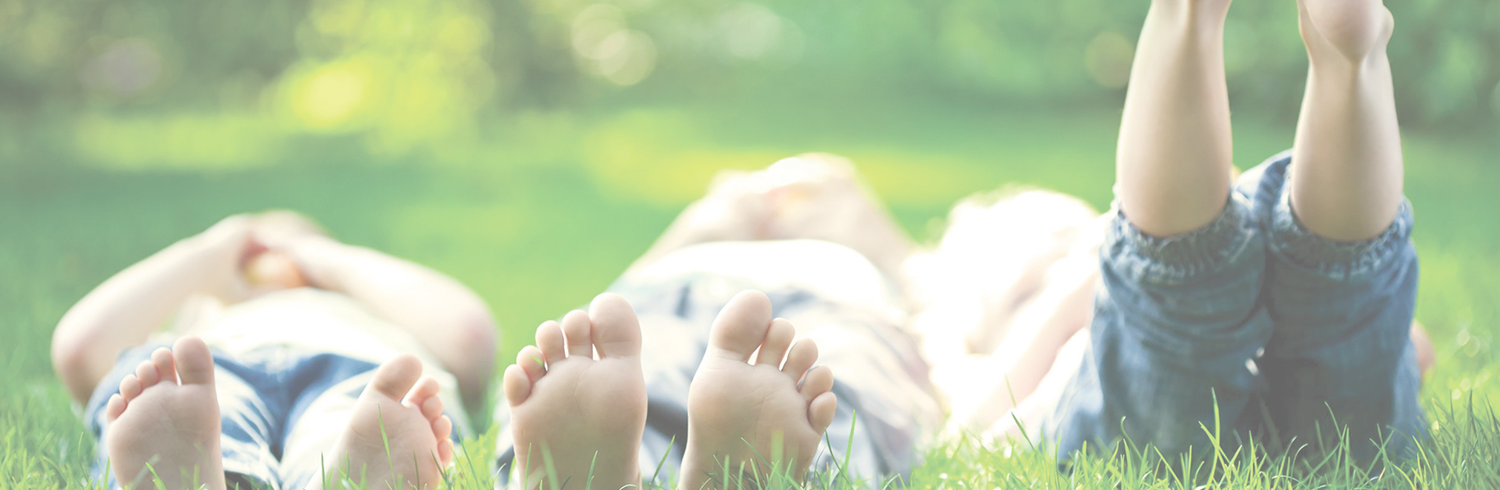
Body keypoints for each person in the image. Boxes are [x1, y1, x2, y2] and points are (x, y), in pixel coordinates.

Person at [1029, 0, 1426, 462]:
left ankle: (1195, 16)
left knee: (1175, 283)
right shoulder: (1054, 290)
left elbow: (980, 422)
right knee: (1345, 302)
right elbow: (1415, 345)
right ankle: (1347, 65)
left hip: (1166, 424)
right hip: (1319, 392)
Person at [51, 212, 497, 490]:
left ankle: (348, 478)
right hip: (213, 369)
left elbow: (469, 337)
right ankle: (199, 471)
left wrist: (324, 257)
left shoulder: (365, 310)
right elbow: (79, 350)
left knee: (359, 427)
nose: (272, 250)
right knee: (194, 414)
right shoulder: (197, 327)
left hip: (361, 371)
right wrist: (208, 258)